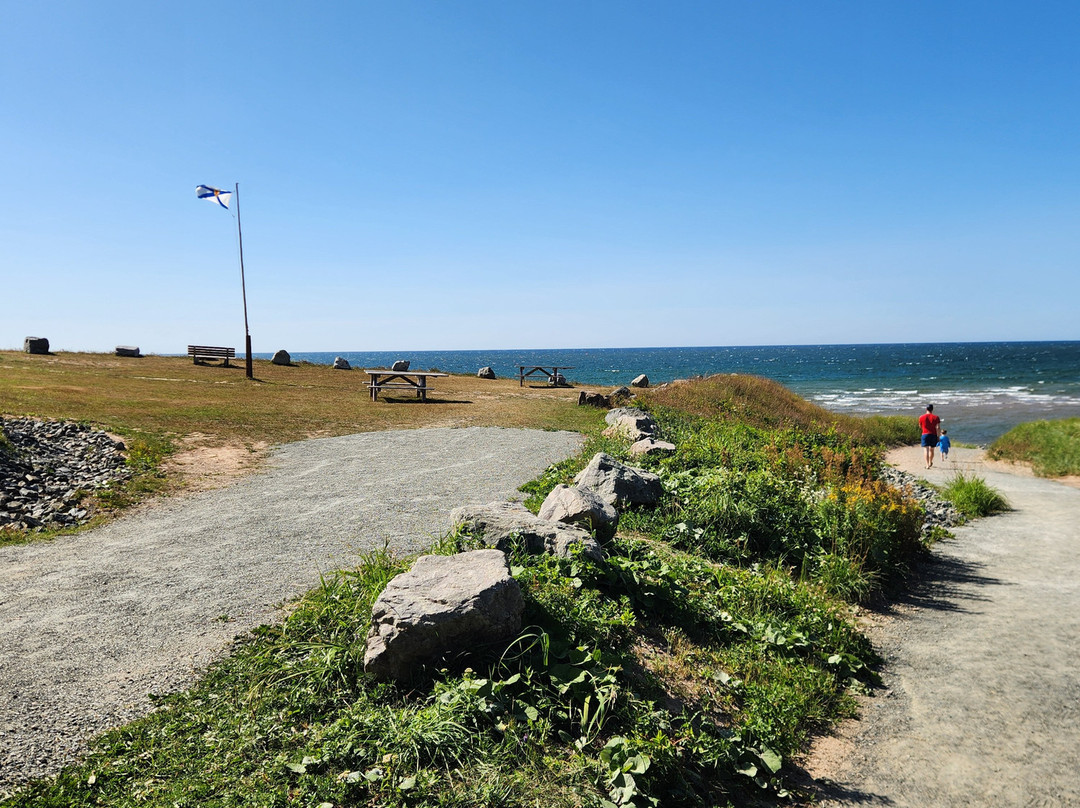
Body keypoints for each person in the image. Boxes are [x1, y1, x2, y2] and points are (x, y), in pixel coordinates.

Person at [919, 404, 941, 469]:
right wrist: (938, 436)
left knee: (926, 449)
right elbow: (938, 427)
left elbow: (920, 426)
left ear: (926, 409)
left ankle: (927, 465)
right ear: (932, 409)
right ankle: (930, 462)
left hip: (925, 434)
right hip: (933, 434)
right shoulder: (936, 417)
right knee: (932, 450)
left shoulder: (921, 417)